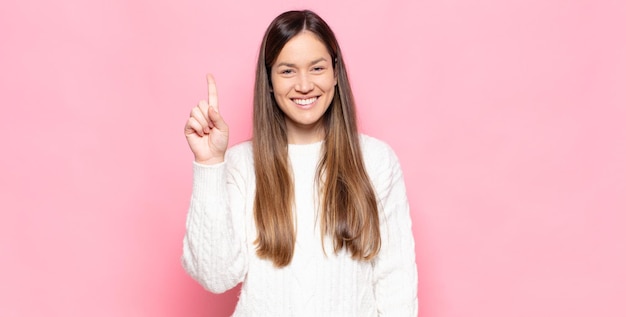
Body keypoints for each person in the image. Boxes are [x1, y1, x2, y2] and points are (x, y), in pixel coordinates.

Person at [182, 9, 417, 316]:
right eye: (288, 71)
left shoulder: (375, 161)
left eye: (317, 68)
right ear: (269, 81)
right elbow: (215, 277)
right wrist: (211, 164)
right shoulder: (241, 165)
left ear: (335, 74)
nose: (304, 85)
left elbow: (396, 282)